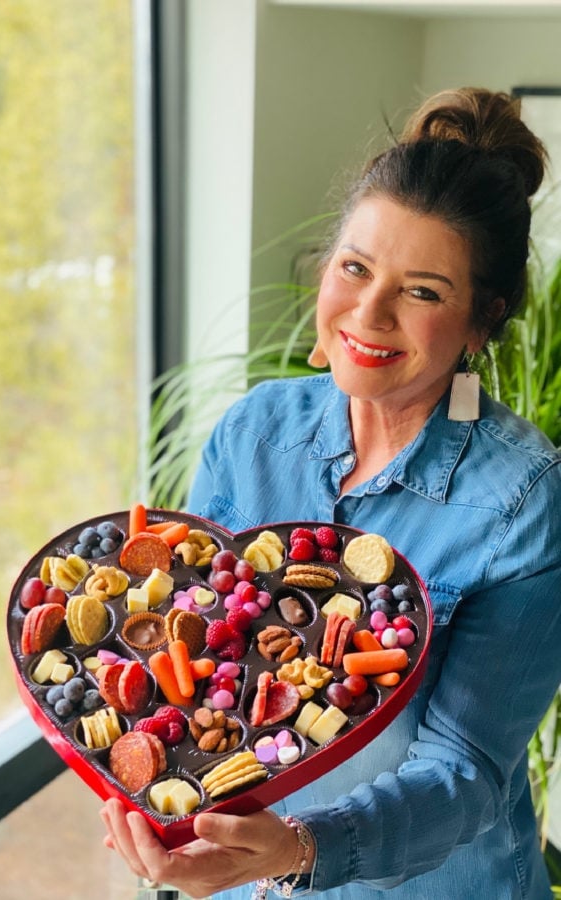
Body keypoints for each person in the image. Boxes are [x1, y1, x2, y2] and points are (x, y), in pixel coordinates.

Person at [101, 87, 561, 899]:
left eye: (423, 291)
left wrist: (300, 848)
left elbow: (465, 771)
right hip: (244, 877)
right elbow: (195, 649)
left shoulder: (521, 499)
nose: (369, 311)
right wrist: (153, 803)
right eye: (355, 267)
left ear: (480, 323)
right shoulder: (253, 435)